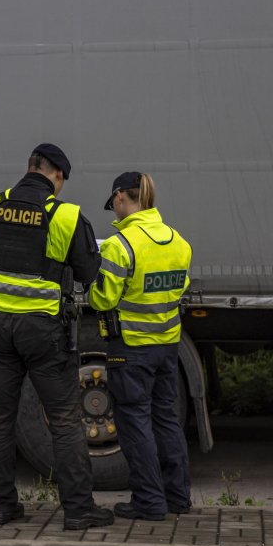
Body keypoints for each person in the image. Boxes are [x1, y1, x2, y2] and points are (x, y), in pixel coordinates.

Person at [0, 143, 114, 530]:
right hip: (44, 329)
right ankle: (78, 510)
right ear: (57, 176)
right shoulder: (65, 215)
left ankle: (1, 506)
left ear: (30, 168)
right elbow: (87, 272)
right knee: (63, 420)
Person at [88, 171, 193, 521]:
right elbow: (179, 288)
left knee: (135, 425)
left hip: (130, 348)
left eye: (114, 204)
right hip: (167, 345)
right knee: (166, 421)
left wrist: (90, 281)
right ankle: (177, 497)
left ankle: (149, 502)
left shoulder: (121, 245)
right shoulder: (178, 241)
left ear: (121, 198)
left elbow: (103, 299)